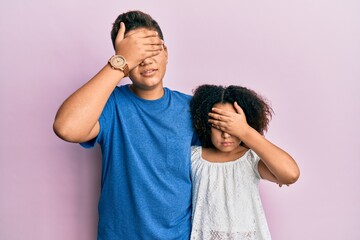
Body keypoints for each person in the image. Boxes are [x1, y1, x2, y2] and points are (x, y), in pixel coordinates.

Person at [53, 10, 199, 239]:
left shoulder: (191, 109)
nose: (146, 61)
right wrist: (120, 62)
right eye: (136, 55)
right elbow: (66, 128)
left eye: (151, 50)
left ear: (166, 52)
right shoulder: (110, 105)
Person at [189, 84, 300, 239]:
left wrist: (245, 131)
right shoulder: (194, 157)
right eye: (218, 125)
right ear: (206, 125)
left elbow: (291, 174)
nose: (226, 135)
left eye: (232, 127)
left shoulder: (250, 159)